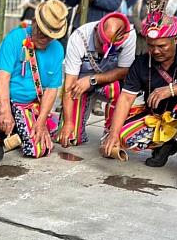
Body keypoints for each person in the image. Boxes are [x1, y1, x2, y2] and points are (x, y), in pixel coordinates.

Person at [101, 13, 177, 192]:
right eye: (151, 46)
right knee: (124, 136)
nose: (156, 51)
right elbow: (126, 98)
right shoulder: (141, 63)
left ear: (176, 39)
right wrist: (113, 135)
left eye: (162, 45)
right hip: (159, 118)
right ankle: (165, 144)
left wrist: (173, 89)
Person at [0, 0, 67, 162]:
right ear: (34, 22)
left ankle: (14, 132)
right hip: (2, 98)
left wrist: (41, 122)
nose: (44, 38)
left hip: (27, 105)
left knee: (37, 149)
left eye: (50, 36)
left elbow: (52, 89)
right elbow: (3, 78)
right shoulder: (14, 38)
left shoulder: (57, 49)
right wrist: (5, 111)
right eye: (42, 32)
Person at [58, 12, 136, 147]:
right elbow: (69, 85)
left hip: (105, 83)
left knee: (121, 89)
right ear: (96, 29)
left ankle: (111, 132)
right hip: (80, 86)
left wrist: (92, 79)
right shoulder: (78, 38)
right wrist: (68, 122)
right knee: (71, 138)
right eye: (101, 43)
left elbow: (124, 71)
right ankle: (61, 121)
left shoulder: (129, 35)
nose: (102, 50)